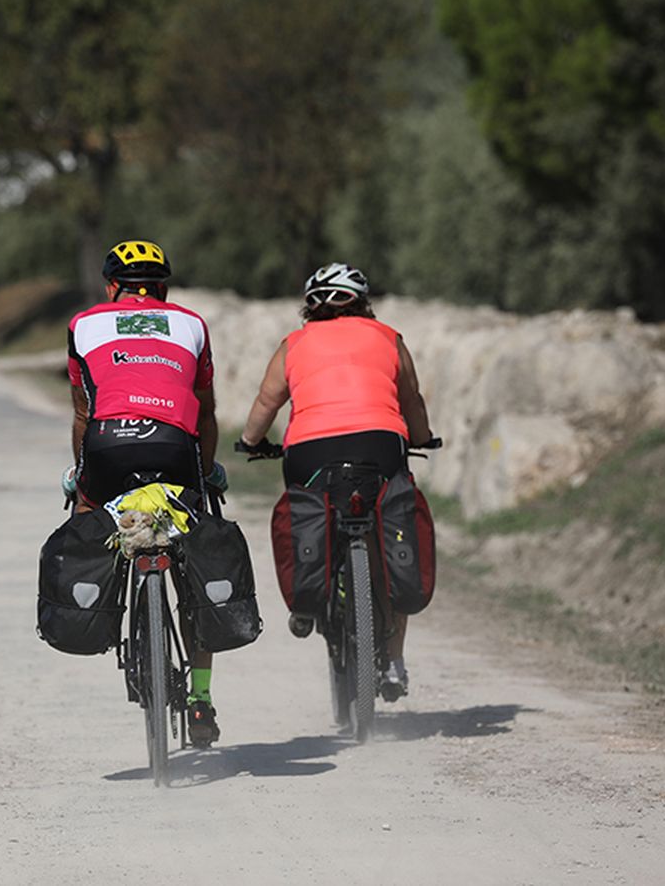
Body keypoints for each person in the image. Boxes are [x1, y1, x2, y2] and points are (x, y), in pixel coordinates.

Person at [236, 261, 433, 698]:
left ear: (310, 309)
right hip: (380, 447)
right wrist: (423, 437)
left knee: (309, 507)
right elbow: (411, 399)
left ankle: (310, 597)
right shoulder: (389, 338)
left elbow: (268, 402)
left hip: (311, 451)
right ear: (363, 303)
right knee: (388, 532)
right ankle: (395, 663)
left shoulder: (294, 343)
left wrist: (251, 442)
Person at [65, 239, 227, 745]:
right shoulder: (192, 324)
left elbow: (83, 412)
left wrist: (80, 474)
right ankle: (199, 699)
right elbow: (205, 409)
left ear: (111, 286)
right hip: (175, 445)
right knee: (195, 559)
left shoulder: (83, 324)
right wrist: (205, 472)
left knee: (90, 517)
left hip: (108, 445)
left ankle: (99, 609)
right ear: (164, 288)